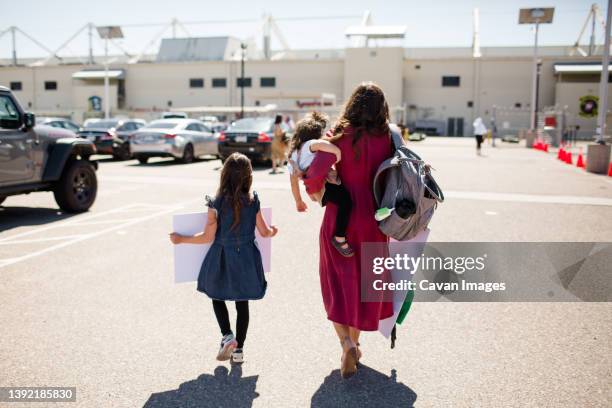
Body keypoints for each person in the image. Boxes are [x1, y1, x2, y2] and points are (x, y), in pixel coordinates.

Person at [303, 82, 394, 379]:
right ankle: (354, 342)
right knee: (364, 286)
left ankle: (345, 343)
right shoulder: (389, 138)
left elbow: (313, 176)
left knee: (337, 285)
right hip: (375, 220)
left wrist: (319, 195)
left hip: (340, 218)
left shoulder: (339, 136)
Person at [169, 153, 278, 364]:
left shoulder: (216, 203)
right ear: (248, 176)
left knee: (216, 295)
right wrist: (273, 231)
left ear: (224, 175)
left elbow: (207, 237)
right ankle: (239, 352)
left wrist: (181, 239)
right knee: (242, 301)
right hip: (247, 256)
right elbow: (264, 232)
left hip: (222, 256)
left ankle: (227, 335)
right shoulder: (252, 200)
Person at [287, 111, 354, 257]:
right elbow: (326, 146)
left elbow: (293, 182)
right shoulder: (311, 144)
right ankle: (339, 237)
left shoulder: (293, 155)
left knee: (340, 203)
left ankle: (339, 234)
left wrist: (298, 201)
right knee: (347, 202)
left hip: (315, 191)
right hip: (325, 185)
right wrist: (337, 155)